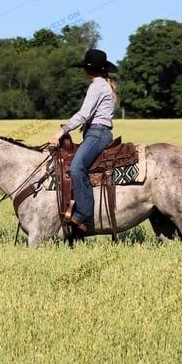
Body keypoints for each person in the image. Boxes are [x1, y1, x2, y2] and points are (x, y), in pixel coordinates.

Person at [48, 48, 118, 234]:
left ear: (88, 69)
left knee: (77, 166)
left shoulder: (97, 86)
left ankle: (83, 213)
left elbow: (84, 114)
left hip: (97, 133)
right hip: (96, 132)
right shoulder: (103, 84)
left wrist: (62, 132)